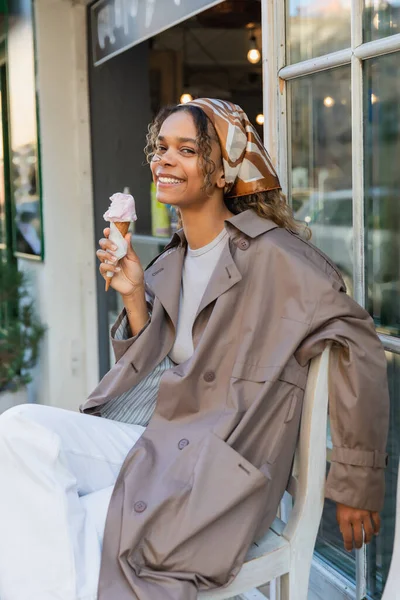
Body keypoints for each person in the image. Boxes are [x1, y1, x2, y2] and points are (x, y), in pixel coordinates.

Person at [0, 99, 389, 600]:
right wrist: (134, 297)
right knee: (17, 430)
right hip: (155, 443)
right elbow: (156, 380)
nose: (164, 159)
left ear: (224, 170)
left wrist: (356, 484)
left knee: (45, 525)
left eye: (186, 149)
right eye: (161, 147)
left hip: (214, 469)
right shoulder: (170, 260)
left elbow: (358, 344)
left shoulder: (277, 260)